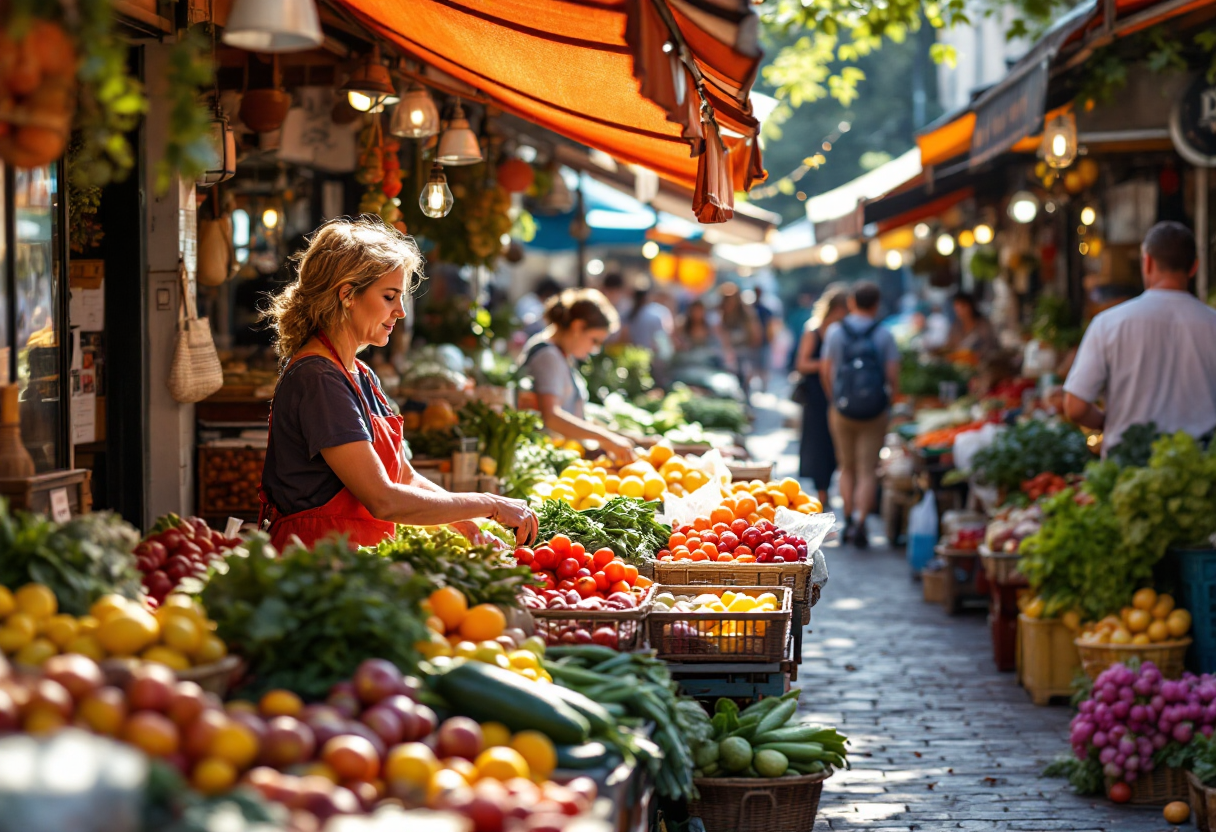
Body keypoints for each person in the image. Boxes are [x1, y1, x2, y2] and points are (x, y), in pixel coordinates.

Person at [257, 216, 537, 551]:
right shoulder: (318, 380)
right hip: (313, 565)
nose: (400, 312)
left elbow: (403, 478)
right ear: (347, 294)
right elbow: (383, 499)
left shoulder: (360, 374)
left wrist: (467, 523)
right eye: (390, 297)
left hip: (356, 559)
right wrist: (490, 504)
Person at [1063, 221, 1216, 456]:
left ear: (1147, 262)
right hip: (1200, 467)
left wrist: (1109, 422)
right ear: (1194, 267)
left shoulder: (1109, 323)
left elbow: (1075, 407)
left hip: (1128, 470)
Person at [820, 281, 901, 549]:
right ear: (876, 304)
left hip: (842, 409)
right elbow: (892, 376)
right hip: (875, 412)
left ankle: (847, 519)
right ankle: (861, 520)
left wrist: (835, 400)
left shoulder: (835, 332)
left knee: (847, 467)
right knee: (868, 470)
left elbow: (826, 370)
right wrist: (888, 401)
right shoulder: (884, 334)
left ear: (852, 302)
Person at [518, 288, 637, 461]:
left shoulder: (559, 353)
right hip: (545, 458)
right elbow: (551, 417)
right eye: (594, 340)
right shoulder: (548, 356)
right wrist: (606, 438)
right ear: (578, 327)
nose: (594, 349)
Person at [794, 284, 849, 509]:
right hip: (816, 396)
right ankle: (822, 493)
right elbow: (802, 364)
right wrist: (826, 365)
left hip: (838, 393)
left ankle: (833, 489)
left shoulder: (845, 331)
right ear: (837, 308)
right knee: (818, 443)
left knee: (836, 443)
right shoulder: (813, 330)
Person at [719, 283, 762, 403]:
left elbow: (755, 335)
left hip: (744, 352)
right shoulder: (723, 315)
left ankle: (746, 404)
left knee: (744, 380)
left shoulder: (746, 314)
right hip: (729, 355)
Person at [944, 291, 999, 364]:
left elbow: (990, 347)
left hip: (982, 365)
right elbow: (950, 345)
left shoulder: (983, 325)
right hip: (960, 365)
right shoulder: (956, 325)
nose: (957, 310)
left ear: (969, 306)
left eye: (961, 307)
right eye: (956, 307)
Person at [674, 299, 730, 369]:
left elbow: (720, 344)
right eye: (695, 310)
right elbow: (677, 345)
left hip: (707, 362)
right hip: (689, 362)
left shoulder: (711, 328)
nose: (697, 313)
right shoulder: (682, 327)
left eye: (699, 310)